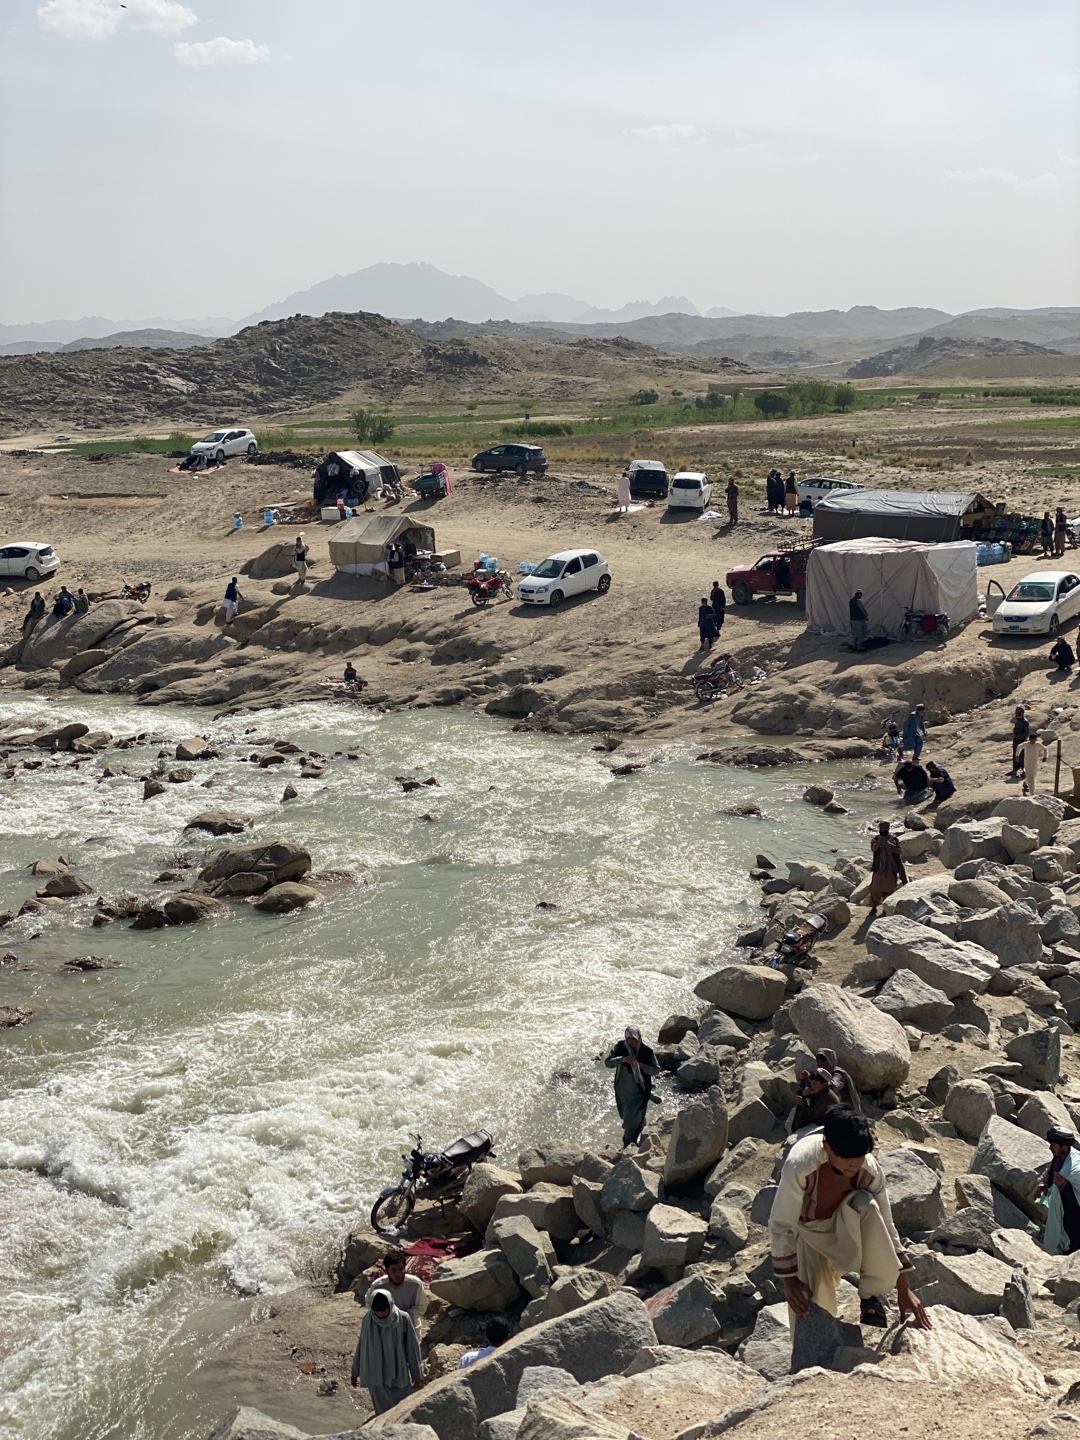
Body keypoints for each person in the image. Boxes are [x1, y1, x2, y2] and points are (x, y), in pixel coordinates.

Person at [770, 1107, 931, 1330]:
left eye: (859, 1157)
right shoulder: (801, 1164)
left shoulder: (869, 1170)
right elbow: (782, 1223)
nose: (854, 1165)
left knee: (867, 1204)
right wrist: (790, 1282)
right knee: (809, 1311)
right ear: (827, 1147)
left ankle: (870, 1297)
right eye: (846, 1158)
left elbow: (886, 1224)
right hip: (809, 1234)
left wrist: (904, 1289)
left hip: (846, 1227)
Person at [350, 1289, 423, 1415]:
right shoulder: (368, 1319)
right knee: (383, 1412)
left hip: (398, 1372)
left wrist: (417, 1375)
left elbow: (412, 1348)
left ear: (390, 1305)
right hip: (376, 1375)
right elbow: (362, 1345)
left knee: (404, 1409)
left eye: (384, 1311)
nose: (382, 1316)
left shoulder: (403, 1318)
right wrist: (355, 1372)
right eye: (378, 1313)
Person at [604, 1026, 660, 1148]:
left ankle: (628, 1145)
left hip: (639, 1093)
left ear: (639, 1038)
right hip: (622, 1092)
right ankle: (640, 1129)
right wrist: (622, 1059)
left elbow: (656, 1070)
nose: (632, 1042)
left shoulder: (646, 1052)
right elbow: (608, 1063)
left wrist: (641, 1066)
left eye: (634, 1039)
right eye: (629, 1039)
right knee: (627, 1117)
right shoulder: (620, 1047)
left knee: (629, 1121)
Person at [1037, 1127, 1080, 1255]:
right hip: (1063, 1212)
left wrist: (1063, 1186)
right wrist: (1045, 1184)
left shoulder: (1075, 1168)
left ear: (1064, 1148)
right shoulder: (1059, 1158)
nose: (1050, 1148)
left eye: (1053, 1145)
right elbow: (1051, 1171)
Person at [365, 1249, 428, 1332]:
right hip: (386, 1329)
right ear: (387, 1271)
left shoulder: (415, 1284)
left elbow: (421, 1306)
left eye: (400, 1269)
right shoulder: (378, 1286)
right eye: (393, 1270)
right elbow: (369, 1304)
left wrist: (403, 1317)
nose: (398, 1274)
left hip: (410, 1328)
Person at [867, 820, 907, 911]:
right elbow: (873, 849)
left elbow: (899, 851)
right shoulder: (876, 839)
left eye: (885, 828)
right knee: (875, 889)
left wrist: (891, 846)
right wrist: (879, 842)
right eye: (881, 828)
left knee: (889, 889)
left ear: (888, 828)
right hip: (879, 868)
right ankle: (873, 908)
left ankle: (886, 909)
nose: (883, 829)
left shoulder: (894, 839)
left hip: (890, 868)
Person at [1021, 730, 1050, 795]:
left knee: (1032, 775)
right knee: (1031, 778)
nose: (1034, 741)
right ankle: (1032, 793)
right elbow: (1019, 747)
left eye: (1035, 740)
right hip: (1027, 762)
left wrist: (1045, 756)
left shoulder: (1037, 744)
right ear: (1030, 739)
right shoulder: (1026, 744)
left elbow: (1045, 749)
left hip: (1035, 762)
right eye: (1033, 740)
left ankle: (1025, 782)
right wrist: (1017, 755)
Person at [1011, 704, 1031, 777]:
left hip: (1022, 742)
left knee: (1022, 757)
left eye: (1018, 710)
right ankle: (1014, 770)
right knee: (1015, 755)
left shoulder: (1025, 722)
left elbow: (1026, 734)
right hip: (1016, 741)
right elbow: (1015, 728)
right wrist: (1013, 733)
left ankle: (1024, 772)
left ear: (1022, 712)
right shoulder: (1018, 720)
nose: (1016, 712)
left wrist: (1016, 735)